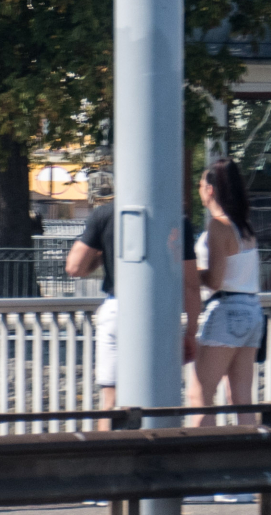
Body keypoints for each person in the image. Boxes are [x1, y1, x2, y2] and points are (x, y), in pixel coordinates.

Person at [69, 174, 197, 410]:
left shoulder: (105, 215)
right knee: (161, 397)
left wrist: (104, 253)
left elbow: (75, 267)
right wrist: (191, 331)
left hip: (117, 310)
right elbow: (190, 284)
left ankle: (109, 446)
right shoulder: (177, 220)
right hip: (161, 313)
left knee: (111, 400)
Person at [189, 158, 264, 425]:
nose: (198, 189)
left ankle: (201, 458)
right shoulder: (244, 226)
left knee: (200, 396)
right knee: (241, 396)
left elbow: (215, 280)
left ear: (210, 189)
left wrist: (188, 273)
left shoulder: (218, 226)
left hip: (226, 310)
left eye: (200, 184)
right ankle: (249, 455)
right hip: (252, 310)